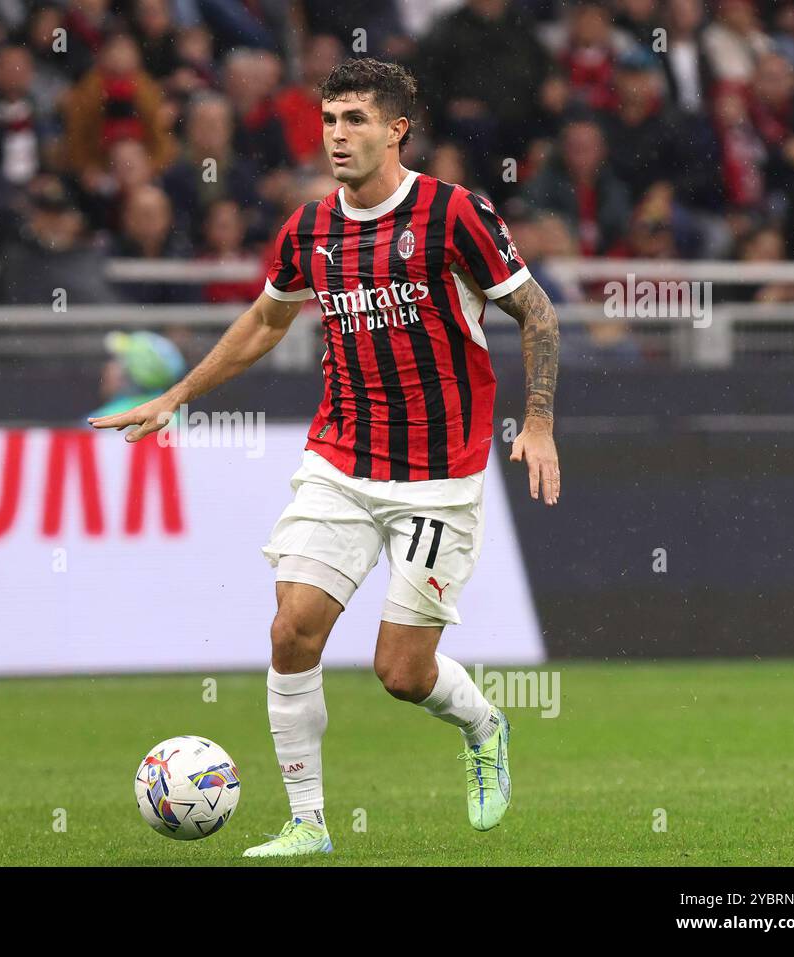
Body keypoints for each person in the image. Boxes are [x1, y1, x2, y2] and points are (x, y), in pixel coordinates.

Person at [92, 58, 562, 857]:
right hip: (341, 461)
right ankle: (308, 821)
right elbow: (265, 323)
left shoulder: (454, 215)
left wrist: (539, 421)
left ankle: (484, 724)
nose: (337, 135)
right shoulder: (309, 230)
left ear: (395, 129)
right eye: (329, 119)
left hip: (437, 471)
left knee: (402, 672)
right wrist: (177, 396)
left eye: (354, 120)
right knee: (292, 629)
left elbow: (537, 311)